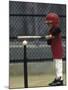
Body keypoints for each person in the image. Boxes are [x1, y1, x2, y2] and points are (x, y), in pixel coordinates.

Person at [44, 12, 64, 86]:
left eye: (49, 23)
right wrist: (48, 38)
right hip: (54, 50)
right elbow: (49, 43)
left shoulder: (56, 28)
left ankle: (60, 79)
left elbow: (58, 30)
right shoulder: (51, 30)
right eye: (47, 23)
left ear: (54, 22)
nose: (48, 24)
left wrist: (51, 36)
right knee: (56, 65)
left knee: (58, 64)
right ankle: (57, 78)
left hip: (58, 50)